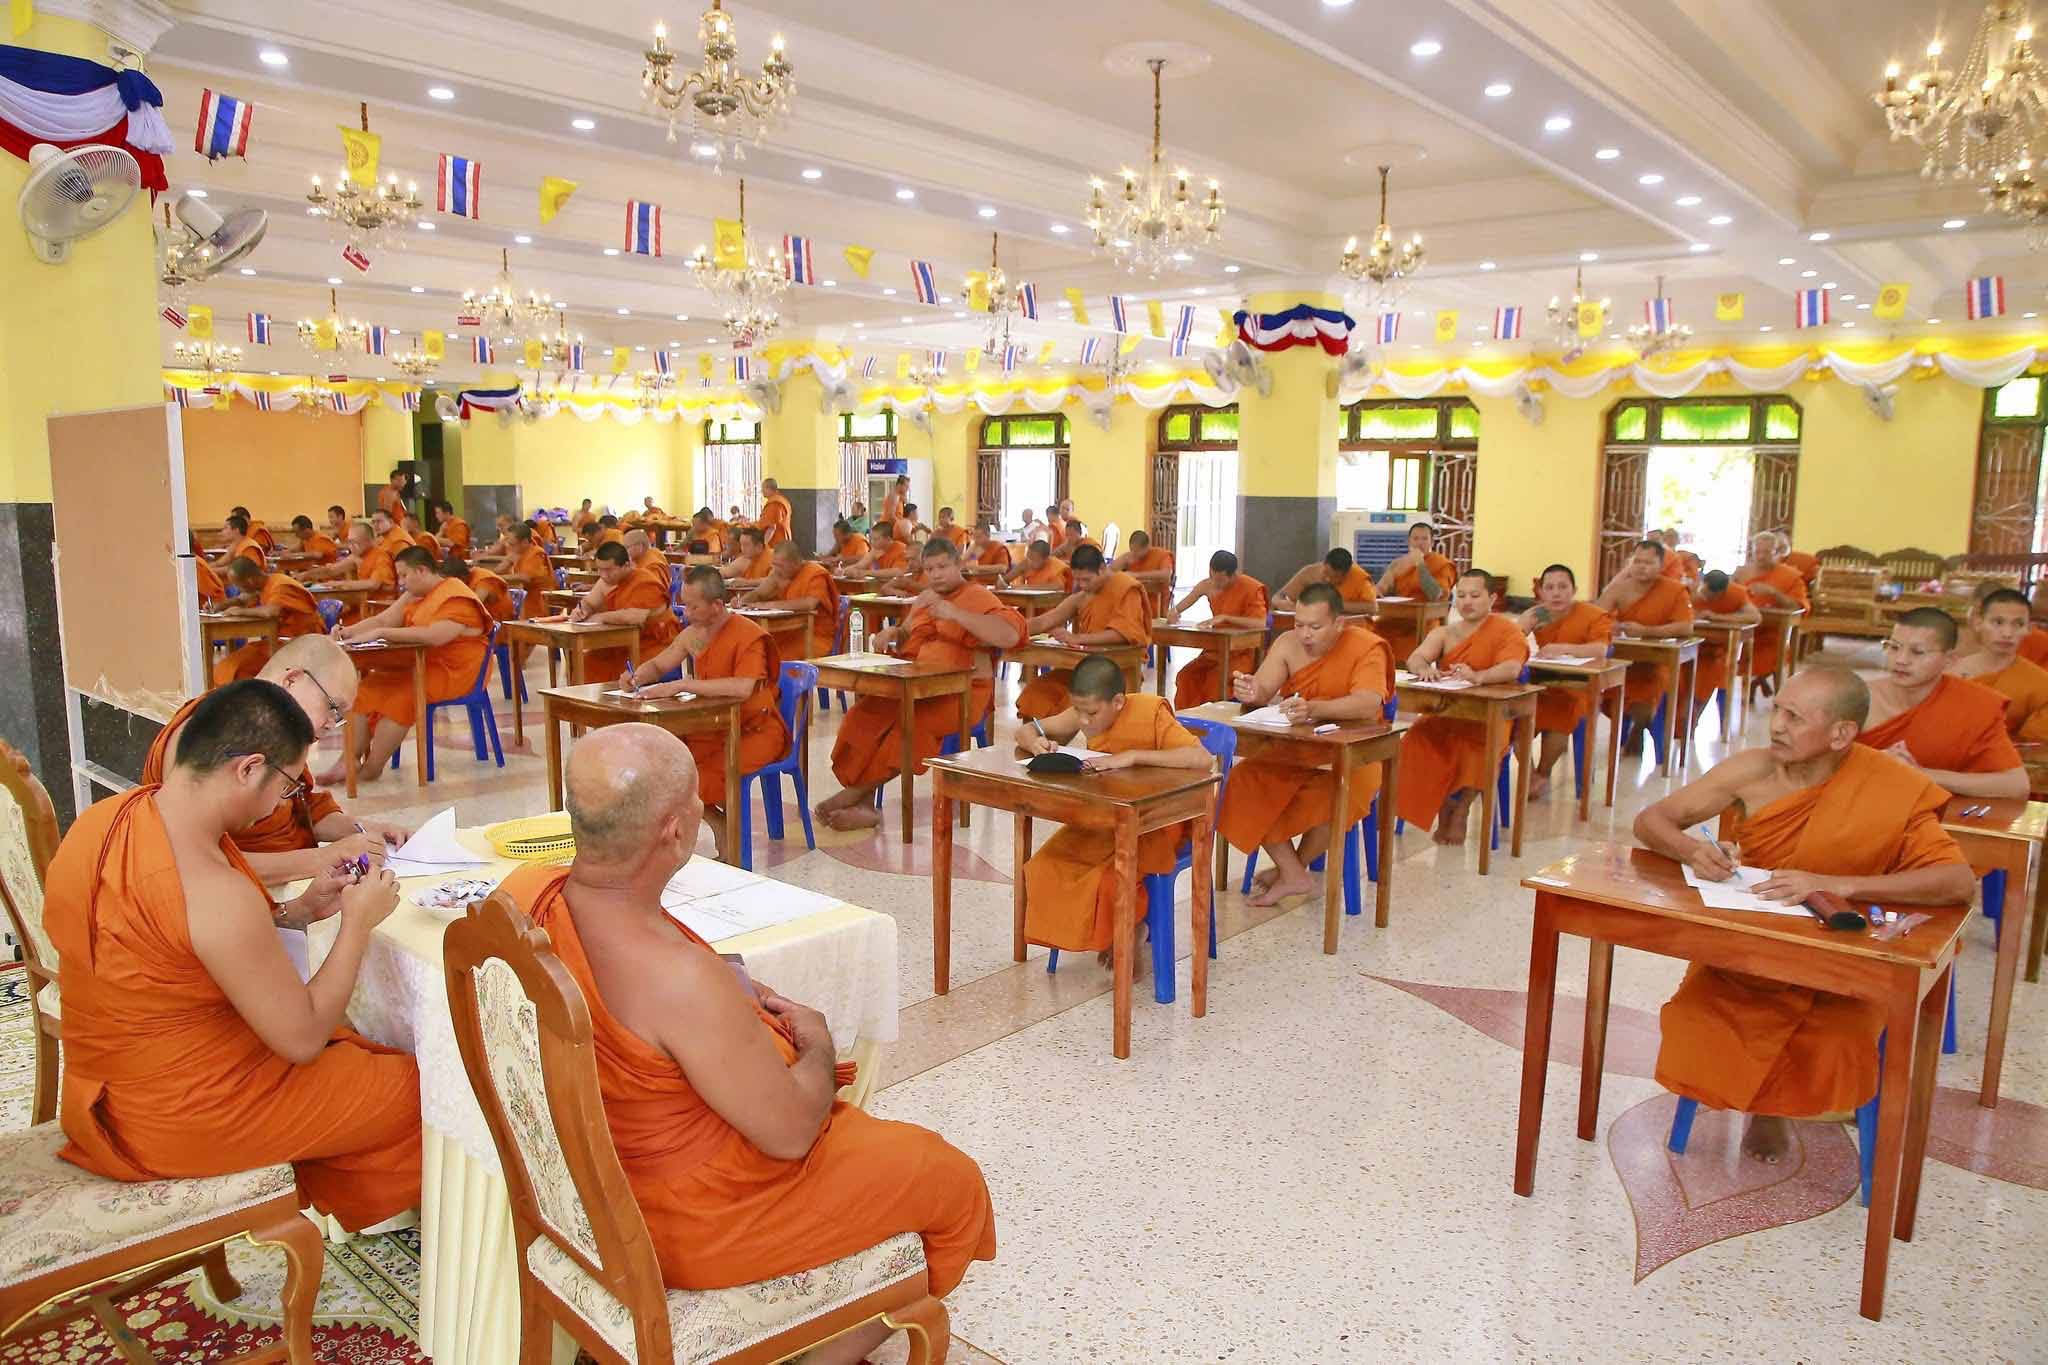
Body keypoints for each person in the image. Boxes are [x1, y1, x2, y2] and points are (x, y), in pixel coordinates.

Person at [500, 725, 995, 1353]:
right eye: (694, 800)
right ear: (675, 832)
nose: (701, 808)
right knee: (953, 1183)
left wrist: (726, 1001)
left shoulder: (523, 894)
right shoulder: (679, 980)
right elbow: (790, 1134)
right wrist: (818, 1044)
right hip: (693, 1221)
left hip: (591, 1191)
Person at [49, 679, 423, 1228]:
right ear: (248, 769)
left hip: (98, 1095)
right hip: (182, 1118)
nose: (280, 806)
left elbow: (181, 948)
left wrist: (299, 911)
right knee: (423, 1090)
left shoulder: (104, 821)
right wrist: (357, 924)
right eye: (287, 787)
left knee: (362, 1053)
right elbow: (301, 1038)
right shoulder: (213, 889)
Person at [1633, 667, 1974, 1161]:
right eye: (1777, 710)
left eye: (1795, 717)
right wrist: (1692, 850)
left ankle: (1771, 1110)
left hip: (1843, 961)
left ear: (1841, 734)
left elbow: (1957, 882)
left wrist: (1840, 884)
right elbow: (1652, 820)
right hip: (1748, 954)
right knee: (1698, 1019)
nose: (1777, 726)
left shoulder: (1890, 786)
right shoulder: (1754, 769)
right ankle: (1767, 1108)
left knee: (1833, 1041)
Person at [142, 635, 410, 881]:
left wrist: (367, 831)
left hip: (299, 881)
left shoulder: (279, 729)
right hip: (245, 894)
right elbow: (194, 860)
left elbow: (304, 807)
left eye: (339, 717)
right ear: (291, 680)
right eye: (332, 707)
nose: (331, 723)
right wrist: (325, 858)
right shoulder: (216, 730)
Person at [818, 538, 1026, 831]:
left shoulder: (979, 596)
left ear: (958, 565)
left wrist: (955, 613)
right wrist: (893, 633)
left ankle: (850, 797)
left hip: (961, 693)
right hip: (914, 684)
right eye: (930, 569)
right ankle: (865, 805)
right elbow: (909, 634)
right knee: (862, 716)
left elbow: (1009, 636)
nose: (936, 574)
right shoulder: (926, 599)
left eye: (943, 566)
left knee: (909, 729)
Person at [1017, 656, 1211, 961]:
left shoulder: (1149, 713)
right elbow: (1028, 730)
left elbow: (1202, 758)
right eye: (1078, 711)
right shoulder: (1085, 709)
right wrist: (1035, 743)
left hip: (1156, 821)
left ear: (1118, 702)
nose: (1083, 722)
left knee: (1109, 878)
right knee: (1046, 865)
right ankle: (1105, 935)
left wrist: (1133, 756)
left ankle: (1132, 929)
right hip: (1103, 818)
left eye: (1091, 713)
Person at [1218, 584, 1393, 906]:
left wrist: (1315, 708)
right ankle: (1294, 873)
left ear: (1339, 623)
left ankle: (1291, 870)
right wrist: (1251, 690)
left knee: (1340, 793)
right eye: (1299, 624)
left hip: (1355, 753)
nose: (1305, 634)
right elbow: (1263, 688)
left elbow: (1369, 703)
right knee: (1242, 782)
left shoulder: (1366, 647)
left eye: (1315, 626)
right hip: (1296, 748)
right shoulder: (1287, 643)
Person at [624, 569, 789, 861]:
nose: (685, 613)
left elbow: (742, 688)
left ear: (717, 605)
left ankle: (727, 831)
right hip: (712, 726)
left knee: (693, 779)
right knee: (666, 767)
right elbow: (660, 665)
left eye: (693, 607)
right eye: (683, 605)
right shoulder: (694, 634)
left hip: (754, 730)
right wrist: (637, 676)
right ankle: (719, 822)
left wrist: (684, 684)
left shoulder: (747, 635)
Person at [327, 547, 491, 783]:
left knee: (402, 696)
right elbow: (384, 619)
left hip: (456, 672)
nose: (401, 583)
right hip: (419, 663)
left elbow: (435, 637)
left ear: (422, 570)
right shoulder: (416, 593)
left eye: (404, 575)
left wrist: (383, 634)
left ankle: (373, 767)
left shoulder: (457, 597)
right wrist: (348, 632)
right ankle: (348, 759)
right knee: (364, 690)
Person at [1397, 568, 1531, 843]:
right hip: (1447, 713)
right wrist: (1424, 669)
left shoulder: (1507, 631)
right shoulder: (1445, 632)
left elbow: (1512, 667)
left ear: (1492, 598)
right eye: (1461, 595)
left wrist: (1480, 676)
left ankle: (1462, 809)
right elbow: (1415, 658)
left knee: (1478, 748)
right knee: (1415, 739)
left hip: (1490, 717)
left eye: (1475, 595)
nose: (1467, 601)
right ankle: (1445, 804)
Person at [1857, 607, 2028, 798]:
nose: (1901, 660)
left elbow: (2016, 785)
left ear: (1950, 660)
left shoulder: (1972, 705)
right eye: (1894, 647)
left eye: (1917, 652)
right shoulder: (1858, 697)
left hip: (1933, 809)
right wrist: (1872, 762)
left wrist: (1921, 774)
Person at [1014, 545, 1152, 721]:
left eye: (1086, 579)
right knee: (1036, 694)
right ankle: (1038, 737)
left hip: (1116, 669)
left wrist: (1077, 638)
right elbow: (1045, 621)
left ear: (1102, 569)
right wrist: (1011, 628)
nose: (1081, 585)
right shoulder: (1084, 595)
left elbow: (1124, 634)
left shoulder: (1125, 588)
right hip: (1084, 665)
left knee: (1072, 704)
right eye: (1077, 580)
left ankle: (1055, 735)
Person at [1516, 564, 1614, 801]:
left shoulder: (1592, 615)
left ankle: (1543, 772)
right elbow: (1510, 642)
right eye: (1549, 588)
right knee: (1513, 718)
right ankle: (1530, 775)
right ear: (1541, 592)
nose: (1556, 593)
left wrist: (1562, 649)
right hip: (1542, 684)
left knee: (1562, 712)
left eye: (1562, 587)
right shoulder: (1539, 614)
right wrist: (1522, 626)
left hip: (1578, 687)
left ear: (1574, 590)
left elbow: (1600, 649)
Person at [1595, 539, 1695, 755]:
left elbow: (1686, 627)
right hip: (1622, 659)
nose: (1641, 567)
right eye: (1637, 561)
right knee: (1599, 690)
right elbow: (1595, 618)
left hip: (1656, 662)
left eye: (1648, 563)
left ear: (1661, 565)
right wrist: (1612, 626)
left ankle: (1638, 729)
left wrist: (1647, 631)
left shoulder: (1674, 590)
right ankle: (1631, 730)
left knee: (1648, 697)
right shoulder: (1619, 588)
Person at [1165, 551, 1268, 710]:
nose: (1215, 583)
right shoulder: (1208, 584)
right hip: (1216, 650)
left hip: (1241, 651)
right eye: (1212, 577)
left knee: (1215, 683)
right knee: (1186, 676)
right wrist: (1174, 611)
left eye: (1220, 580)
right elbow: (1186, 601)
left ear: (1233, 575)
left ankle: (1214, 718)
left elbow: (1260, 623)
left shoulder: (1251, 587)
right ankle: (1186, 718)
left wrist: (1226, 618)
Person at [572, 542, 681, 683]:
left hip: (653, 644)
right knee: (589, 661)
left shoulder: (644, 581)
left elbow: (635, 617)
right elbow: (589, 602)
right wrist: (581, 610)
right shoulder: (607, 580)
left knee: (626, 670)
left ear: (627, 565)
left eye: (609, 570)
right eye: (599, 569)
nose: (603, 575)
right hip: (622, 643)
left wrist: (600, 617)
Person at [1954, 587, 2048, 741]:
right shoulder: (1949, 673)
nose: (2007, 633)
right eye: (1998, 622)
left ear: (2029, 629)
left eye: (2018, 624)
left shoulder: (2042, 685)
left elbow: (2037, 745)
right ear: (1978, 623)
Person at [213, 556, 325, 684]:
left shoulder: (281, 585)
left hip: (301, 640)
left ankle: (261, 693)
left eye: (239, 586)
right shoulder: (264, 585)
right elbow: (242, 599)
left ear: (250, 581)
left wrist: (240, 611)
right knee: (227, 666)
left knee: (236, 668)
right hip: (278, 640)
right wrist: (221, 605)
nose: (239, 590)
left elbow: (271, 612)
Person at [1733, 531, 1812, 688]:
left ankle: (1764, 682)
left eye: (1767, 552)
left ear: (1777, 553)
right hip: (1744, 628)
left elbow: (1798, 606)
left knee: (1772, 651)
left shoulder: (1790, 576)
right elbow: (1729, 599)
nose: (1761, 556)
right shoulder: (1741, 573)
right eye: (1757, 552)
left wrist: (1774, 593)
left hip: (1772, 633)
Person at [741, 541, 842, 656]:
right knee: (754, 647)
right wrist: (742, 601)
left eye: (780, 565)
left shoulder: (814, 574)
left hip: (813, 635)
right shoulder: (778, 575)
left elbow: (809, 603)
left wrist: (771, 605)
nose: (776, 569)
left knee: (774, 656)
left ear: (795, 563)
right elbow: (758, 593)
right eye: (774, 564)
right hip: (786, 631)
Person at [1691, 568, 1761, 728]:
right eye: (1704, 592)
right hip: (1693, 644)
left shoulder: (1736, 593)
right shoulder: (1692, 589)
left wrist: (1717, 617)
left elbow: (1755, 617)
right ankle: (1686, 722)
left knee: (1719, 672)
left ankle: (1703, 722)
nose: (1706, 597)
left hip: (1720, 648)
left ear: (1722, 592)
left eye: (1711, 596)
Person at [298, 520, 397, 618]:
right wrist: (306, 575)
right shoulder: (357, 556)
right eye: (349, 542)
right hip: (363, 604)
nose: (351, 546)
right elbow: (331, 570)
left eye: (355, 542)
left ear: (369, 540)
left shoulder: (381, 556)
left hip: (380, 608)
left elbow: (373, 584)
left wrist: (340, 584)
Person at [1272, 547, 1376, 612]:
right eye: (1326, 572)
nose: (1328, 579)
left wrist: (1333, 605)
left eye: (1335, 577)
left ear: (1346, 574)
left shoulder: (1359, 578)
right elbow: (1279, 596)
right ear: (1324, 563)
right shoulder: (1310, 572)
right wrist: (1280, 602)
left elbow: (1372, 607)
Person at [1376, 522, 1456, 601]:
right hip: (1400, 607)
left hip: (1427, 608)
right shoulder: (1398, 563)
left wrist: (1420, 565)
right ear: (1409, 542)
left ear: (1432, 542)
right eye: (1415, 538)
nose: (1419, 543)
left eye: (1425, 539)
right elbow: (1381, 590)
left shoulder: (1442, 564)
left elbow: (1436, 595)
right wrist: (1379, 589)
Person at [443, 556, 516, 623]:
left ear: (462, 577)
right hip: (481, 618)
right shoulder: (464, 580)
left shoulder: (483, 580)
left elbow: (475, 606)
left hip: (500, 622)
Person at [1001, 538, 1071, 591]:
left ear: (1046, 559)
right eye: (1029, 557)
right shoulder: (1026, 563)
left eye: (1034, 559)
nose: (1030, 562)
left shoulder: (1054, 565)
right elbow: (1006, 579)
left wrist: (1028, 587)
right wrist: (1002, 582)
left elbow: (1058, 586)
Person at [756, 478, 794, 547]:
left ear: (768, 488)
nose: (761, 491)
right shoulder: (783, 500)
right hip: (785, 539)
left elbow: (771, 527)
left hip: (777, 542)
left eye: (763, 488)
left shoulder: (774, 504)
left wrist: (764, 545)